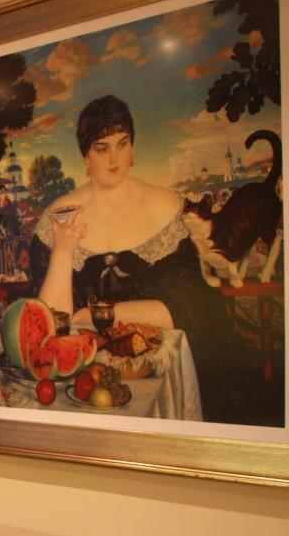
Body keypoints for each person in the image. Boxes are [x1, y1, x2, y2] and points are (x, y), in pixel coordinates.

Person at [30, 95, 274, 425]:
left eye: (122, 144)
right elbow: (49, 324)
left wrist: (91, 315)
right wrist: (63, 250)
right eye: (102, 148)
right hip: (82, 380)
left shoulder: (166, 205)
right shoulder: (59, 215)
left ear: (132, 148)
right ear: (86, 156)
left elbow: (187, 309)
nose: (114, 158)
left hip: (162, 370)